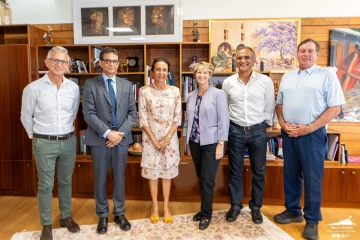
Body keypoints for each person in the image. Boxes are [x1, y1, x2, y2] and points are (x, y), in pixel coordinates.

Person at [274, 39, 345, 240]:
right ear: (297, 54)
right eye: (302, 51)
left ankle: (312, 221)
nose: (305, 54)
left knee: (312, 178)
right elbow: (279, 104)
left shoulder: (326, 76)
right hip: (289, 134)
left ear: (317, 54)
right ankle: (293, 211)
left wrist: (309, 128)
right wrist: (282, 123)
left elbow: (335, 107)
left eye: (310, 51)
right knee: (291, 174)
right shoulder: (287, 77)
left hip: (312, 135)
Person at [20, 46, 80, 240]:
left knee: (66, 181)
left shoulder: (73, 88)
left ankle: (65, 217)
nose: (59, 64)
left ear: (68, 65)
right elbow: (25, 116)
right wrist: (36, 137)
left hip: (68, 141)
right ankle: (46, 224)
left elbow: (72, 113)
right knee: (45, 185)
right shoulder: (33, 88)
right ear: (47, 63)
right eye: (55, 60)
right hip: (43, 142)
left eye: (63, 61)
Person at [82, 47, 137, 234]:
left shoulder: (126, 85)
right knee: (100, 179)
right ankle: (103, 215)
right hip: (99, 140)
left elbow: (132, 113)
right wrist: (108, 133)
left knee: (119, 177)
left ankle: (120, 213)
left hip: (120, 140)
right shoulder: (90, 84)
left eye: (115, 61)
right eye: (108, 61)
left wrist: (118, 134)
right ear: (100, 63)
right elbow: (88, 114)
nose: (112, 64)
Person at [222, 46, 275, 224]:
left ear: (253, 60)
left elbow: (269, 105)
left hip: (258, 130)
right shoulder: (228, 83)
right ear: (235, 61)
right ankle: (235, 206)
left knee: (259, 171)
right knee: (235, 171)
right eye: (239, 58)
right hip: (235, 130)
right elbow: (224, 107)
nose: (242, 61)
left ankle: (256, 207)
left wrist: (264, 126)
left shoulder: (265, 81)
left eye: (246, 58)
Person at [186, 61, 229, 230]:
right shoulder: (190, 95)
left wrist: (221, 144)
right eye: (199, 73)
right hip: (195, 142)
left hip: (212, 143)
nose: (202, 76)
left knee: (208, 180)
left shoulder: (218, 94)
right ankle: (204, 208)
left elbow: (223, 120)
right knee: (201, 177)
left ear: (210, 75)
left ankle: (206, 214)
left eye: (205, 73)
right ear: (195, 75)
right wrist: (188, 143)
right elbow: (189, 121)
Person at [138, 58, 181, 225]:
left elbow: (177, 118)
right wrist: (156, 141)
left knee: (167, 173)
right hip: (150, 140)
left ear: (168, 72)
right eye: (158, 69)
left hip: (169, 141)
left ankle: (166, 207)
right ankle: (155, 206)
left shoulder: (175, 91)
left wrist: (166, 139)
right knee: (153, 173)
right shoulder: (144, 91)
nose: (161, 73)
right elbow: (143, 119)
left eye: (164, 69)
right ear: (152, 72)